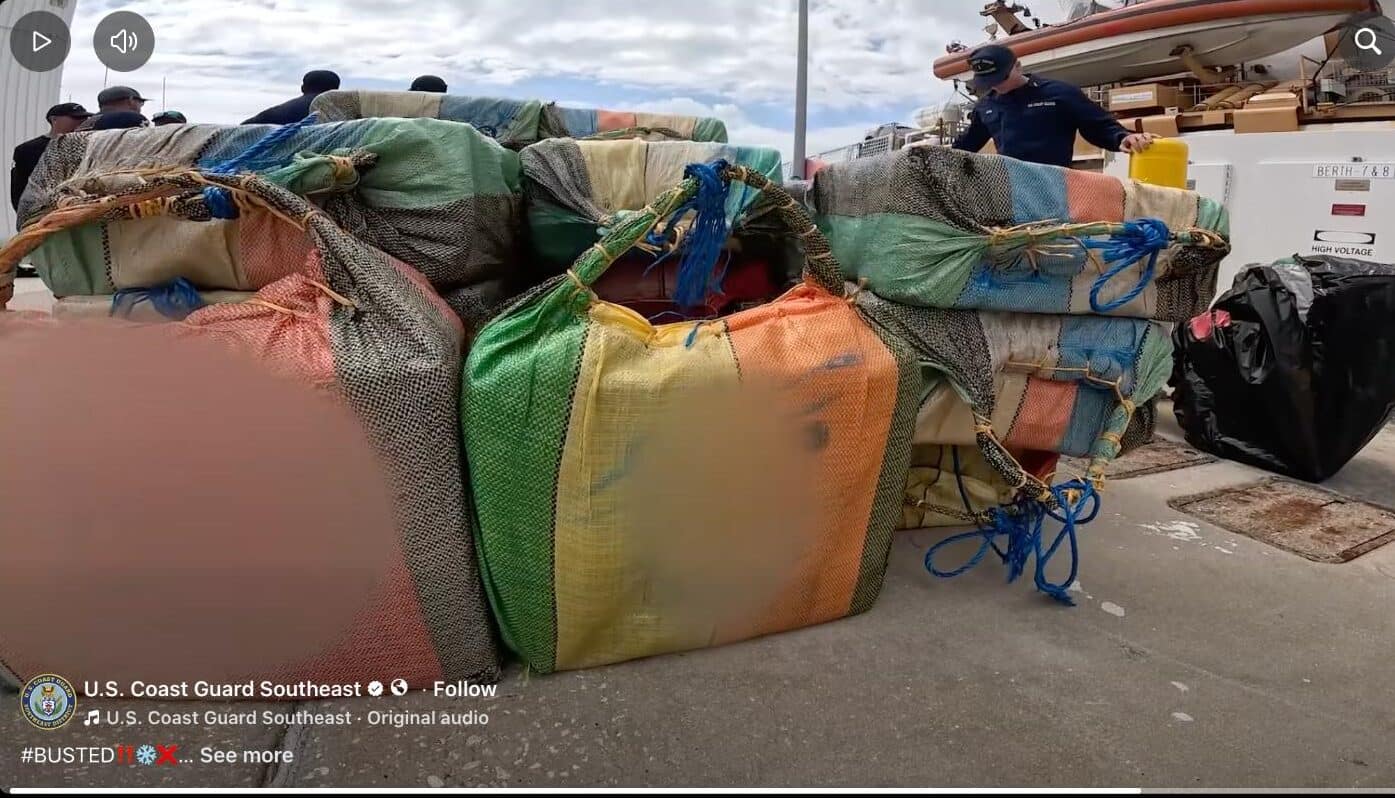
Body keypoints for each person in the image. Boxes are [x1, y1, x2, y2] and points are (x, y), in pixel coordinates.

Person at [952, 45, 1156, 168]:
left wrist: (1123, 137)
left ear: (1018, 66)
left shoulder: (1059, 93)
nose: (997, 85)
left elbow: (1098, 125)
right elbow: (968, 143)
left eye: (1001, 78)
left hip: (1056, 182)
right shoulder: (986, 105)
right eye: (989, 82)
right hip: (1012, 186)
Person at [11, 103, 92, 211]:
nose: (82, 121)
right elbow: (19, 188)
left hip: (82, 210)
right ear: (54, 119)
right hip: (43, 213)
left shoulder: (90, 146)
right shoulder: (27, 150)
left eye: (85, 118)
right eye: (76, 117)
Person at [243, 70, 341, 125]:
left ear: (303, 88)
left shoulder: (273, 113)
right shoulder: (348, 112)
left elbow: (245, 127)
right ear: (337, 90)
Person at [76, 86, 150, 131]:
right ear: (131, 101)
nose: (141, 106)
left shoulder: (88, 122)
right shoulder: (131, 118)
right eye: (141, 102)